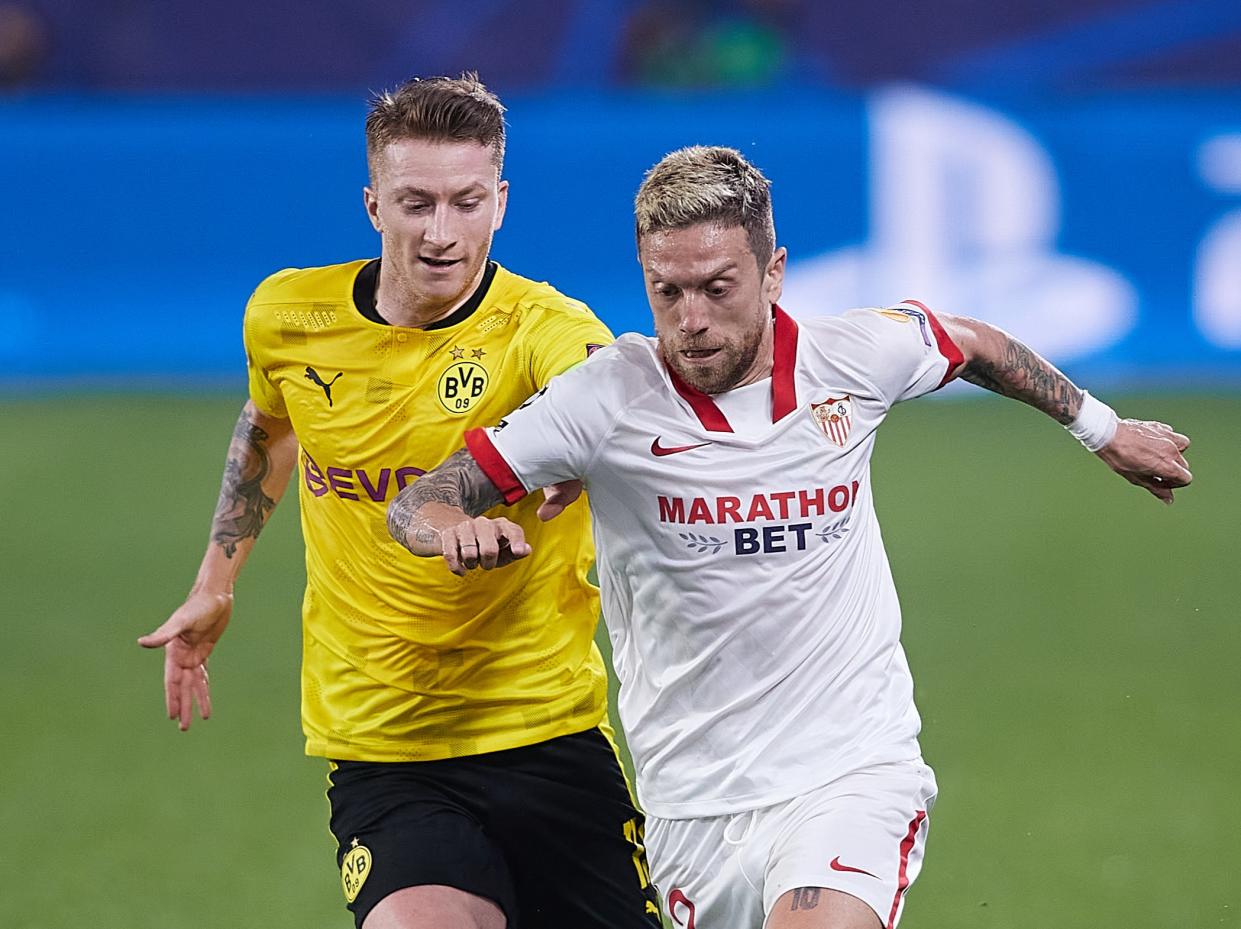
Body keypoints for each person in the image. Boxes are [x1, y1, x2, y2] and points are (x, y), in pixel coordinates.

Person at [385, 145, 1193, 929]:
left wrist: (1101, 428)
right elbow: (420, 501)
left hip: (850, 772)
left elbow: (973, 344)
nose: (690, 321)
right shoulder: (604, 400)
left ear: (773, 273)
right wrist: (452, 529)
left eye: (715, 287)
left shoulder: (853, 357)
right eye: (665, 292)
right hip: (693, 805)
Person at [138, 74, 662, 929]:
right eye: (415, 202)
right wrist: (215, 579)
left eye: (464, 202)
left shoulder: (544, 328)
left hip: (547, 728)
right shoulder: (287, 315)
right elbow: (271, 427)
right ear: (373, 203)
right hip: (385, 743)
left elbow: (604, 389)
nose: (440, 232)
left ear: (501, 202)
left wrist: (584, 439)